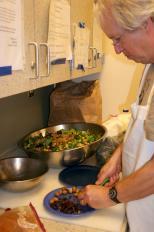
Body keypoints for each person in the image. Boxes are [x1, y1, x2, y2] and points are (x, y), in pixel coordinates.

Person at [78, 1, 154, 231]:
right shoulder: (150, 65)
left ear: (147, 23)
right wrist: (119, 157)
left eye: (118, 38)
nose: (117, 49)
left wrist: (110, 195)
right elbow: (143, 130)